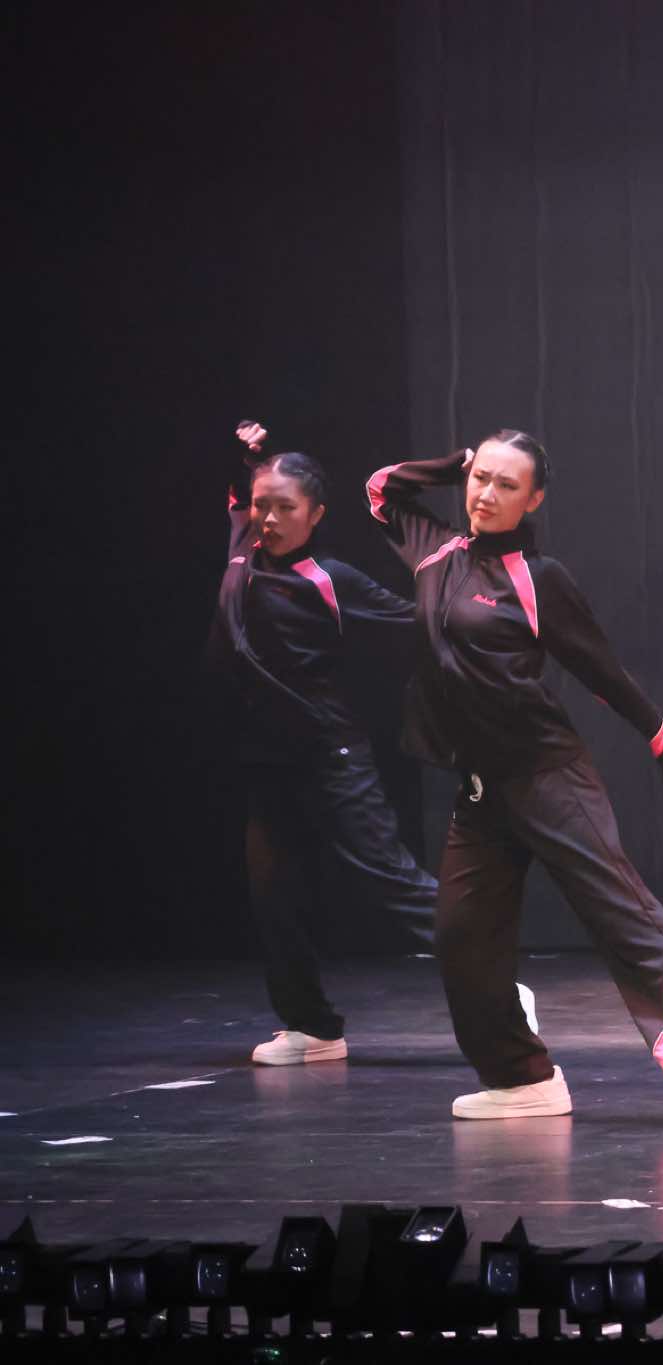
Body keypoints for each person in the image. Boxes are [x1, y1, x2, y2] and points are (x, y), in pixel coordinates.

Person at [365, 431, 663, 1128]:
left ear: (533, 499)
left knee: (621, 917)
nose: (486, 493)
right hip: (482, 787)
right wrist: (455, 462)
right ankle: (522, 1079)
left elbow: (600, 667)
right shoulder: (435, 551)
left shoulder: (538, 578)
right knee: (461, 935)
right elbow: (381, 488)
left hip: (546, 776)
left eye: (507, 485)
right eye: (481, 478)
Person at [211, 420, 445, 1065]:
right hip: (269, 762)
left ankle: (499, 986)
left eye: (285, 508)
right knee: (274, 900)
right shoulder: (241, 550)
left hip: (331, 754)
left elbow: (417, 622)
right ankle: (312, 1028)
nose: (269, 518)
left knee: (391, 880)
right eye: (261, 506)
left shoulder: (329, 578)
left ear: (314, 514)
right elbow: (239, 489)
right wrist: (250, 453)